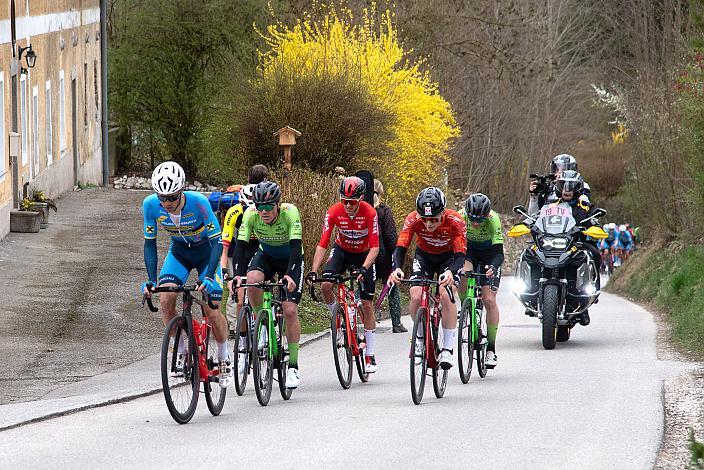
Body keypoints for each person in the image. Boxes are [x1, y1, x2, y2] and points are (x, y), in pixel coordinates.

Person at [141, 161, 233, 388]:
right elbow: (149, 244)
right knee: (165, 298)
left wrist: (210, 276)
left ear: (181, 190)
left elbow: (217, 242)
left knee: (211, 311)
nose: (167, 202)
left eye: (172, 197)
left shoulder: (199, 203)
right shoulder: (150, 206)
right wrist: (152, 280)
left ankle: (223, 356)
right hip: (179, 254)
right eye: (162, 197)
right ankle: (181, 352)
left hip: (206, 255)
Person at [229, 181, 304, 389]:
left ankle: (293, 367)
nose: (263, 212)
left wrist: (289, 275)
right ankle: (261, 322)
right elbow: (241, 248)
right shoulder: (251, 214)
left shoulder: (290, 213)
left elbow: (297, 249)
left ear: (277, 204)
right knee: (251, 280)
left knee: (289, 310)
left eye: (268, 207)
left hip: (291, 258)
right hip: (267, 255)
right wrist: (237, 276)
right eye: (259, 207)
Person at [388, 187, 466, 369]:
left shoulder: (455, 221)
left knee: (446, 294)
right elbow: (401, 246)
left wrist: (451, 272)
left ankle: (447, 349)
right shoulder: (413, 219)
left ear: (443, 213)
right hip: (424, 256)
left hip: (449, 258)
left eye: (434, 219)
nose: (429, 224)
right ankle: (420, 339)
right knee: (415, 295)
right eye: (425, 219)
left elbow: (461, 254)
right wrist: (397, 268)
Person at [308, 176, 381, 372]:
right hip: (342, 251)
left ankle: (370, 355)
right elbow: (323, 244)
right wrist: (314, 270)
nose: (348, 205)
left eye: (352, 202)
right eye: (344, 201)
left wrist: (365, 268)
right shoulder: (333, 212)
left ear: (361, 200)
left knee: (366, 304)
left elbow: (375, 248)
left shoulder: (370, 213)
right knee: (325, 285)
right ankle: (339, 320)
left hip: (364, 254)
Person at [221, 164, 269, 338]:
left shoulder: (266, 201)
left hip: (260, 249)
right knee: (239, 294)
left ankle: (265, 323)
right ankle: (238, 331)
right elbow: (225, 245)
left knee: (261, 289)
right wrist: (225, 270)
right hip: (240, 250)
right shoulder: (234, 211)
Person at [457, 193, 504, 368]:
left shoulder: (493, 219)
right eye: (473, 219)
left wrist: (493, 266)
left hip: (489, 254)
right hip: (469, 251)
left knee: (489, 299)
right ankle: (465, 306)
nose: (476, 223)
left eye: (480, 220)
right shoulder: (461, 216)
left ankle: (491, 349)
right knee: (463, 273)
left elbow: (499, 252)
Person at [373, 179, 405, 333]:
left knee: (363, 288)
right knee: (392, 288)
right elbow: (391, 236)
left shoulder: (362, 210)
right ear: (381, 193)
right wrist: (395, 255)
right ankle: (396, 324)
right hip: (384, 257)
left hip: (366, 257)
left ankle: (357, 320)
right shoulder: (384, 211)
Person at [528, 153, 592, 214]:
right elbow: (532, 214)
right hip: (549, 223)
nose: (558, 173)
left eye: (563, 169)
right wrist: (534, 196)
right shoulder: (548, 187)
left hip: (574, 222)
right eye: (556, 169)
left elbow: (585, 207)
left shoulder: (581, 185)